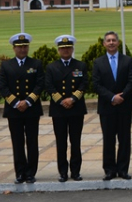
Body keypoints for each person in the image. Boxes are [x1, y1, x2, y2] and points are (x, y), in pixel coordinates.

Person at [0, 33, 44, 184]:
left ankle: (31, 172)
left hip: (31, 109)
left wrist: (28, 101)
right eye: (20, 47)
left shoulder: (36, 64)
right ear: (14, 48)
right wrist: (17, 103)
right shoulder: (6, 65)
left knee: (32, 142)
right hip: (14, 110)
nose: (23, 49)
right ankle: (20, 172)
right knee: (17, 142)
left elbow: (39, 85)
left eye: (25, 46)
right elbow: (2, 87)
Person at [91, 31, 132, 180]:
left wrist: (121, 96)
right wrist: (111, 97)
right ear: (104, 44)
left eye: (114, 40)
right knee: (108, 139)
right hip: (107, 107)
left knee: (124, 139)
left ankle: (123, 169)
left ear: (118, 43)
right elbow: (96, 84)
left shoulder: (127, 60)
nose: (111, 42)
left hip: (124, 105)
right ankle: (110, 170)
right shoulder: (98, 62)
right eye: (108, 40)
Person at [44, 34, 88, 182]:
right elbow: (49, 86)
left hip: (76, 109)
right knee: (61, 142)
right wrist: (62, 100)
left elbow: (83, 84)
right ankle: (62, 171)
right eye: (63, 48)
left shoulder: (80, 65)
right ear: (58, 50)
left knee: (75, 142)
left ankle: (75, 171)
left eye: (68, 48)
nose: (66, 51)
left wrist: (73, 99)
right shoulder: (51, 67)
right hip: (59, 109)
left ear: (72, 49)